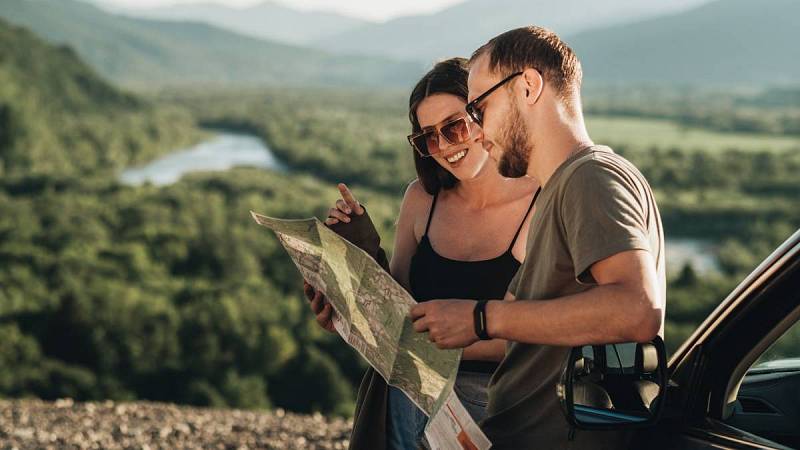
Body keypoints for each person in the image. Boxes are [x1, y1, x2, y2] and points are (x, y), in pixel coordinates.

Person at [409, 27, 666, 449]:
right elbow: (529, 328)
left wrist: (479, 318)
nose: (474, 129)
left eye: (479, 107)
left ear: (527, 87)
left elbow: (637, 310)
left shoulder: (591, 177)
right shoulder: (561, 189)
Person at [304, 57, 540, 449]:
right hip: (412, 386)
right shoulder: (421, 198)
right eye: (430, 136)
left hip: (496, 394)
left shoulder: (540, 203)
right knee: (405, 394)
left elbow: (540, 336)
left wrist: (432, 345)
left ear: (484, 113)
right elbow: (398, 307)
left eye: (455, 125)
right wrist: (347, 301)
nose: (445, 146)